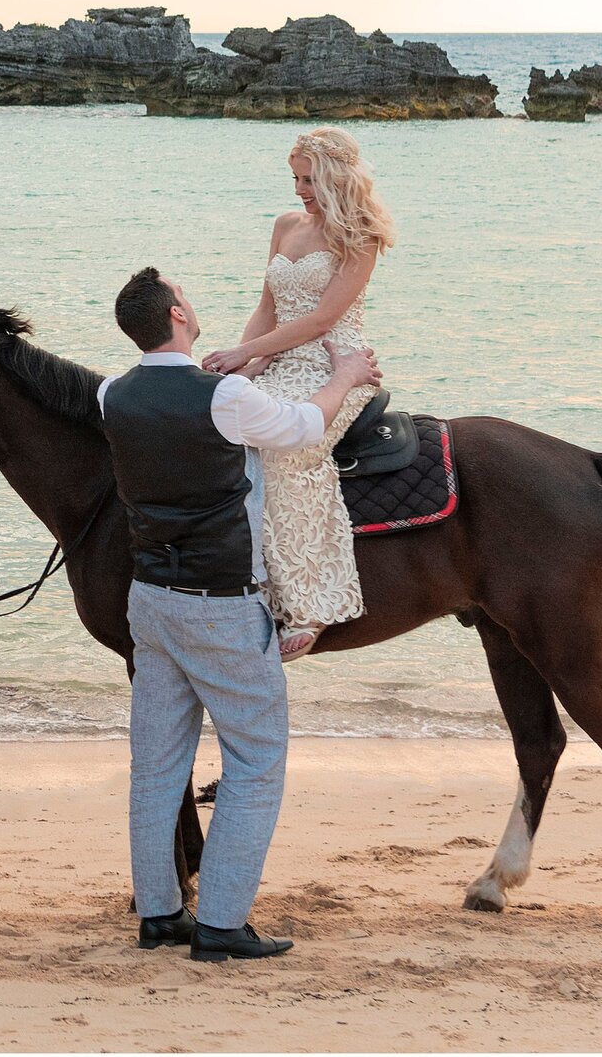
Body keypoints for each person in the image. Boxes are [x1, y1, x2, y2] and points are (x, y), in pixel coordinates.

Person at [102, 266, 379, 963]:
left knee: (156, 764)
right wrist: (347, 371)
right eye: (186, 297)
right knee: (257, 759)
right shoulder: (223, 397)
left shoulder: (112, 394)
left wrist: (254, 358)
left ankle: (162, 913)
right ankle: (221, 922)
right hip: (221, 605)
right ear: (175, 314)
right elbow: (305, 424)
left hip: (151, 601)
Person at [199, 128, 397, 661]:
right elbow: (267, 305)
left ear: (335, 180)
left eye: (309, 179)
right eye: (295, 178)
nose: (299, 190)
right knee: (219, 435)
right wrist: (241, 366)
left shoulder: (359, 237)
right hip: (276, 354)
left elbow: (322, 318)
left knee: (286, 450)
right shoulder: (285, 226)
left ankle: (308, 603)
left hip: (334, 362)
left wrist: (249, 356)